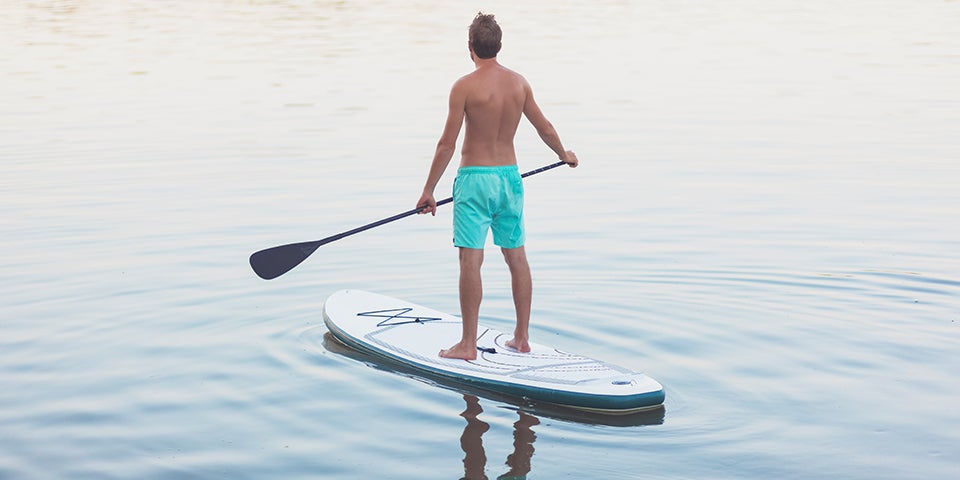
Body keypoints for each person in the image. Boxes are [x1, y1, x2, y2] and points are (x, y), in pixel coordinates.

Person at [416, 12, 578, 360]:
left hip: (475, 179)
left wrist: (429, 190)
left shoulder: (464, 86)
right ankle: (521, 337)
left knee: (470, 261)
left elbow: (446, 144)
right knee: (516, 256)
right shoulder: (519, 84)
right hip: (509, 179)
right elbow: (544, 127)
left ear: (470, 47)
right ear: (499, 45)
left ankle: (467, 344)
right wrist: (563, 154)